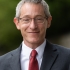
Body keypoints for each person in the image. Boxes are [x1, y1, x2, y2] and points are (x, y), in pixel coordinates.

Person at [0, 0, 70, 70]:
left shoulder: (67, 58)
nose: (33, 26)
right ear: (17, 23)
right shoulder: (2, 63)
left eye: (39, 19)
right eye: (26, 19)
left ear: (48, 21)